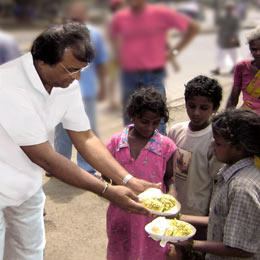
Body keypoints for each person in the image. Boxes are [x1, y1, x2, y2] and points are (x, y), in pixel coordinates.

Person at [0, 23, 160, 260]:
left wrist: (127, 179)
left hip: (26, 188)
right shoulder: (8, 86)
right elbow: (45, 157)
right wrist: (106, 190)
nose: (77, 77)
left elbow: (85, 137)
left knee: (29, 253)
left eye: (82, 69)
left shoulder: (66, 85)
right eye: (71, 69)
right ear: (42, 61)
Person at [170, 109, 260, 260]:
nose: (212, 146)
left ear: (239, 148)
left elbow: (242, 248)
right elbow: (220, 218)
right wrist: (180, 218)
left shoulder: (242, 188)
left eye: (218, 143)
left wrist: (191, 244)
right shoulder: (229, 171)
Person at [106, 87, 177, 260]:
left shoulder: (165, 146)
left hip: (152, 217)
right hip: (121, 212)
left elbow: (169, 178)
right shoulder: (117, 143)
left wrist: (172, 200)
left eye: (156, 122)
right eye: (144, 121)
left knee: (152, 252)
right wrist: (113, 187)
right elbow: (106, 173)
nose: (150, 127)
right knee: (121, 251)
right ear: (132, 115)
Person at [109, 0, 200, 135]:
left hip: (152, 76)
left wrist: (173, 52)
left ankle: (160, 153)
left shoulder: (160, 13)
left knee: (156, 118)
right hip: (128, 76)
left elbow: (193, 28)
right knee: (130, 120)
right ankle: (131, 154)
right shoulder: (120, 18)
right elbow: (114, 38)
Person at [53, 1, 108, 176]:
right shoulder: (58, 34)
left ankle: (86, 167)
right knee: (61, 130)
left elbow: (101, 63)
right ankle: (60, 166)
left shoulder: (96, 35)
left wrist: (104, 87)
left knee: (85, 130)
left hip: (86, 91)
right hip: (61, 90)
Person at [168, 75, 223, 239]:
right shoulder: (176, 131)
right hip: (176, 208)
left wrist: (210, 216)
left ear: (215, 107)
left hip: (200, 214)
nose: (196, 112)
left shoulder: (215, 140)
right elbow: (170, 172)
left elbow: (217, 183)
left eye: (204, 108)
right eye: (191, 106)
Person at [226, 24, 260, 115]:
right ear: (249, 49)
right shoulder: (242, 67)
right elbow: (233, 98)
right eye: (254, 49)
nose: (258, 53)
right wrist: (226, 119)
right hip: (248, 115)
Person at [211, 1, 240, 75]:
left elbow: (236, 29)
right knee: (220, 55)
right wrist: (216, 10)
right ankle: (217, 69)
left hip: (231, 40)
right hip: (223, 39)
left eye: (229, 9)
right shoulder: (223, 17)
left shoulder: (234, 18)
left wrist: (234, 37)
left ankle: (236, 67)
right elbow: (216, 22)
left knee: (234, 55)